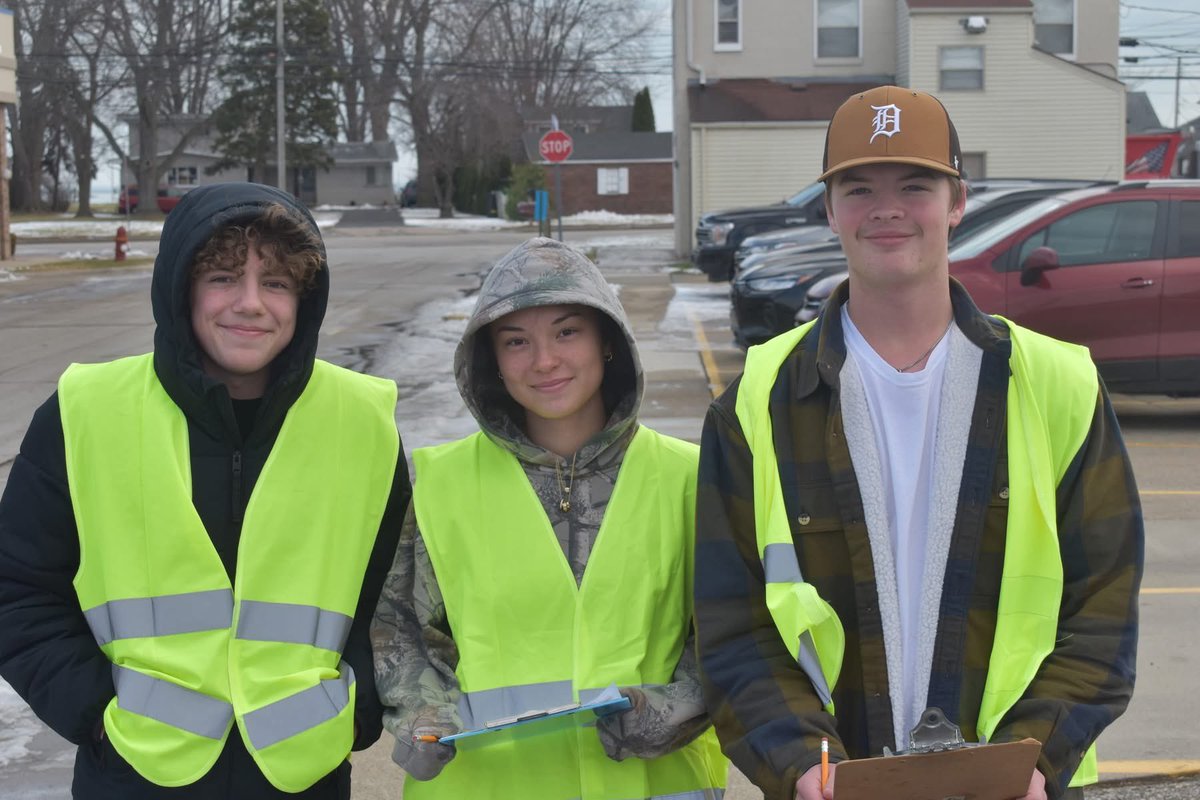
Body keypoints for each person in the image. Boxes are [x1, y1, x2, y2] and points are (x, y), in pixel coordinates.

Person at [692, 85, 1143, 800]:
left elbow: (1102, 611)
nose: (888, 208)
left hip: (1015, 787)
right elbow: (731, 625)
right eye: (859, 187)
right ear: (831, 207)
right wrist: (805, 764)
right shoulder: (759, 398)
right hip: (837, 787)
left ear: (957, 200)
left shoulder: (1059, 383)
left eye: (915, 184)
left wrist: (1033, 760)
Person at [0, 182, 410, 799]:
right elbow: (18, 589)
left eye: (275, 283)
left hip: (302, 775)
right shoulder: (87, 412)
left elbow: (398, 596)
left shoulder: (361, 421)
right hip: (136, 773)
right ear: (180, 287)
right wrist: (95, 713)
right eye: (222, 277)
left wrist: (356, 708)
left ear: (303, 298)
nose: (250, 304)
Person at [371, 237, 728, 799]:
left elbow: (729, 630)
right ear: (492, 359)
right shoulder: (442, 486)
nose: (544, 361)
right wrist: (423, 716)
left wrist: (672, 710)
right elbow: (402, 630)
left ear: (607, 340)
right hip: (487, 787)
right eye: (516, 342)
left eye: (567, 332)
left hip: (652, 784)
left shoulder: (692, 477)